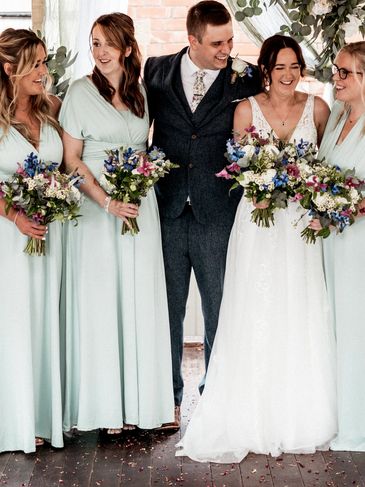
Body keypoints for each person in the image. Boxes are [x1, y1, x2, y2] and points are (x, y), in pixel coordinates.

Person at [176, 34, 337, 463]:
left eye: (294, 66)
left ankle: (299, 408)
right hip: (259, 220)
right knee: (254, 305)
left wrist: (308, 190)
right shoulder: (245, 109)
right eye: (279, 67)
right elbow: (239, 164)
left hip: (299, 221)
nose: (288, 75)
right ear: (265, 70)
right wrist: (256, 183)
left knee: (298, 305)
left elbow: (324, 163)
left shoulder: (318, 108)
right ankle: (247, 407)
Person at [144, 0, 261, 428]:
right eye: (217, 42)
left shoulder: (246, 77)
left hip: (218, 210)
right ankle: (168, 398)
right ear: (191, 39)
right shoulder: (155, 71)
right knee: (168, 310)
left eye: (230, 39)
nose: (227, 48)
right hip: (169, 207)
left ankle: (215, 398)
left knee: (219, 310)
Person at [59, 12, 174, 434]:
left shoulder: (141, 92)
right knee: (101, 302)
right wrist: (107, 201)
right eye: (94, 43)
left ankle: (139, 405)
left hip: (139, 206)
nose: (100, 51)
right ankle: (104, 408)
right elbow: (71, 160)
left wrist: (137, 188)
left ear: (127, 48)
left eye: (108, 43)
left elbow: (145, 149)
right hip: (95, 211)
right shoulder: (78, 91)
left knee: (137, 298)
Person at [0, 29, 63, 453]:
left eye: (44, 62)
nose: (45, 71)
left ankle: (42, 416)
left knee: (44, 319)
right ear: (9, 68)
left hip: (51, 235)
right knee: (13, 323)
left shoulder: (53, 109)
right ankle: (12, 421)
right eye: (36, 64)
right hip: (8, 236)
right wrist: (15, 215)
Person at [318, 42, 365, 451]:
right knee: (334, 324)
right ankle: (338, 412)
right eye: (336, 70)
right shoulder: (335, 116)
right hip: (332, 239)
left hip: (359, 241)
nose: (337, 78)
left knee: (357, 326)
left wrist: (350, 207)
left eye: (345, 72)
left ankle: (359, 422)